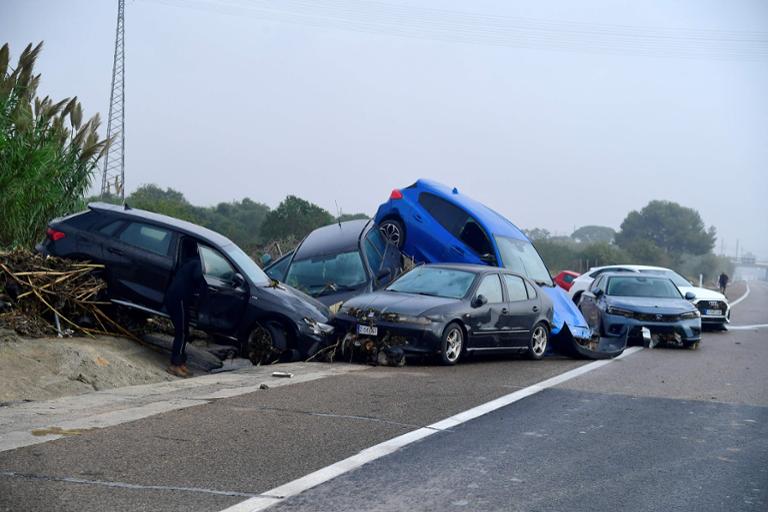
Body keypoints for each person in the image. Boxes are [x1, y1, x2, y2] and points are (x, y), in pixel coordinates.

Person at [164, 239, 206, 377]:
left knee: (184, 331)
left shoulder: (189, 261)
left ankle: (181, 363)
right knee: (181, 332)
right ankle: (174, 365)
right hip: (178, 298)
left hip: (178, 297)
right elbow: (198, 276)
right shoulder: (197, 263)